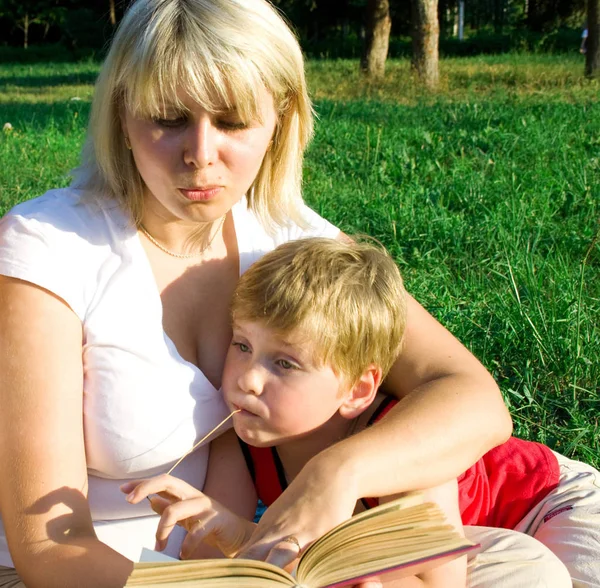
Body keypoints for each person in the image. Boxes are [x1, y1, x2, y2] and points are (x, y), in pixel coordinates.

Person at [0, 0, 512, 586]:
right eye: (167, 118)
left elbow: (472, 397)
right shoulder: (49, 249)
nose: (200, 153)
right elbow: (49, 547)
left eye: (234, 121)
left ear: (281, 119)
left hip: (243, 555)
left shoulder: (289, 237)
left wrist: (337, 473)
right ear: (122, 115)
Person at [125, 237, 600, 588]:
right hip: (478, 541)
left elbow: (443, 579)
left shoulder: (399, 445)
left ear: (357, 390)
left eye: (284, 363)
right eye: (242, 345)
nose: (247, 377)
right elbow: (255, 558)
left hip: (546, 501)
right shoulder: (250, 437)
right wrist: (228, 531)